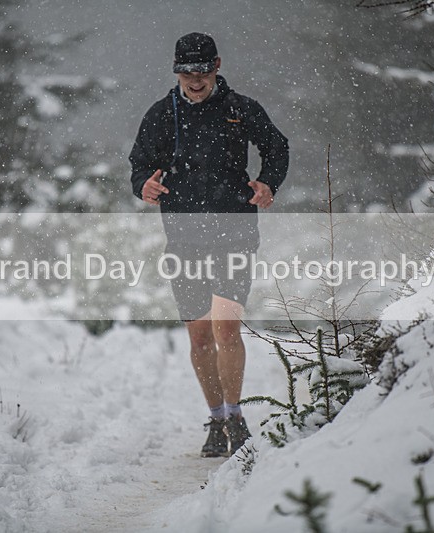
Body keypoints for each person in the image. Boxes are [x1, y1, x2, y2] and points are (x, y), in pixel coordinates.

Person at [129, 32, 289, 457]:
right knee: (200, 337)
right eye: (186, 72)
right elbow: (139, 164)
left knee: (226, 328)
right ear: (177, 71)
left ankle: (236, 417)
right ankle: (216, 419)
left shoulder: (240, 109)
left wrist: (268, 183)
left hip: (234, 231)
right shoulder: (163, 115)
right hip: (183, 237)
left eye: (201, 71)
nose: (194, 80)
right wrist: (141, 184)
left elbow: (277, 147)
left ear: (217, 65)